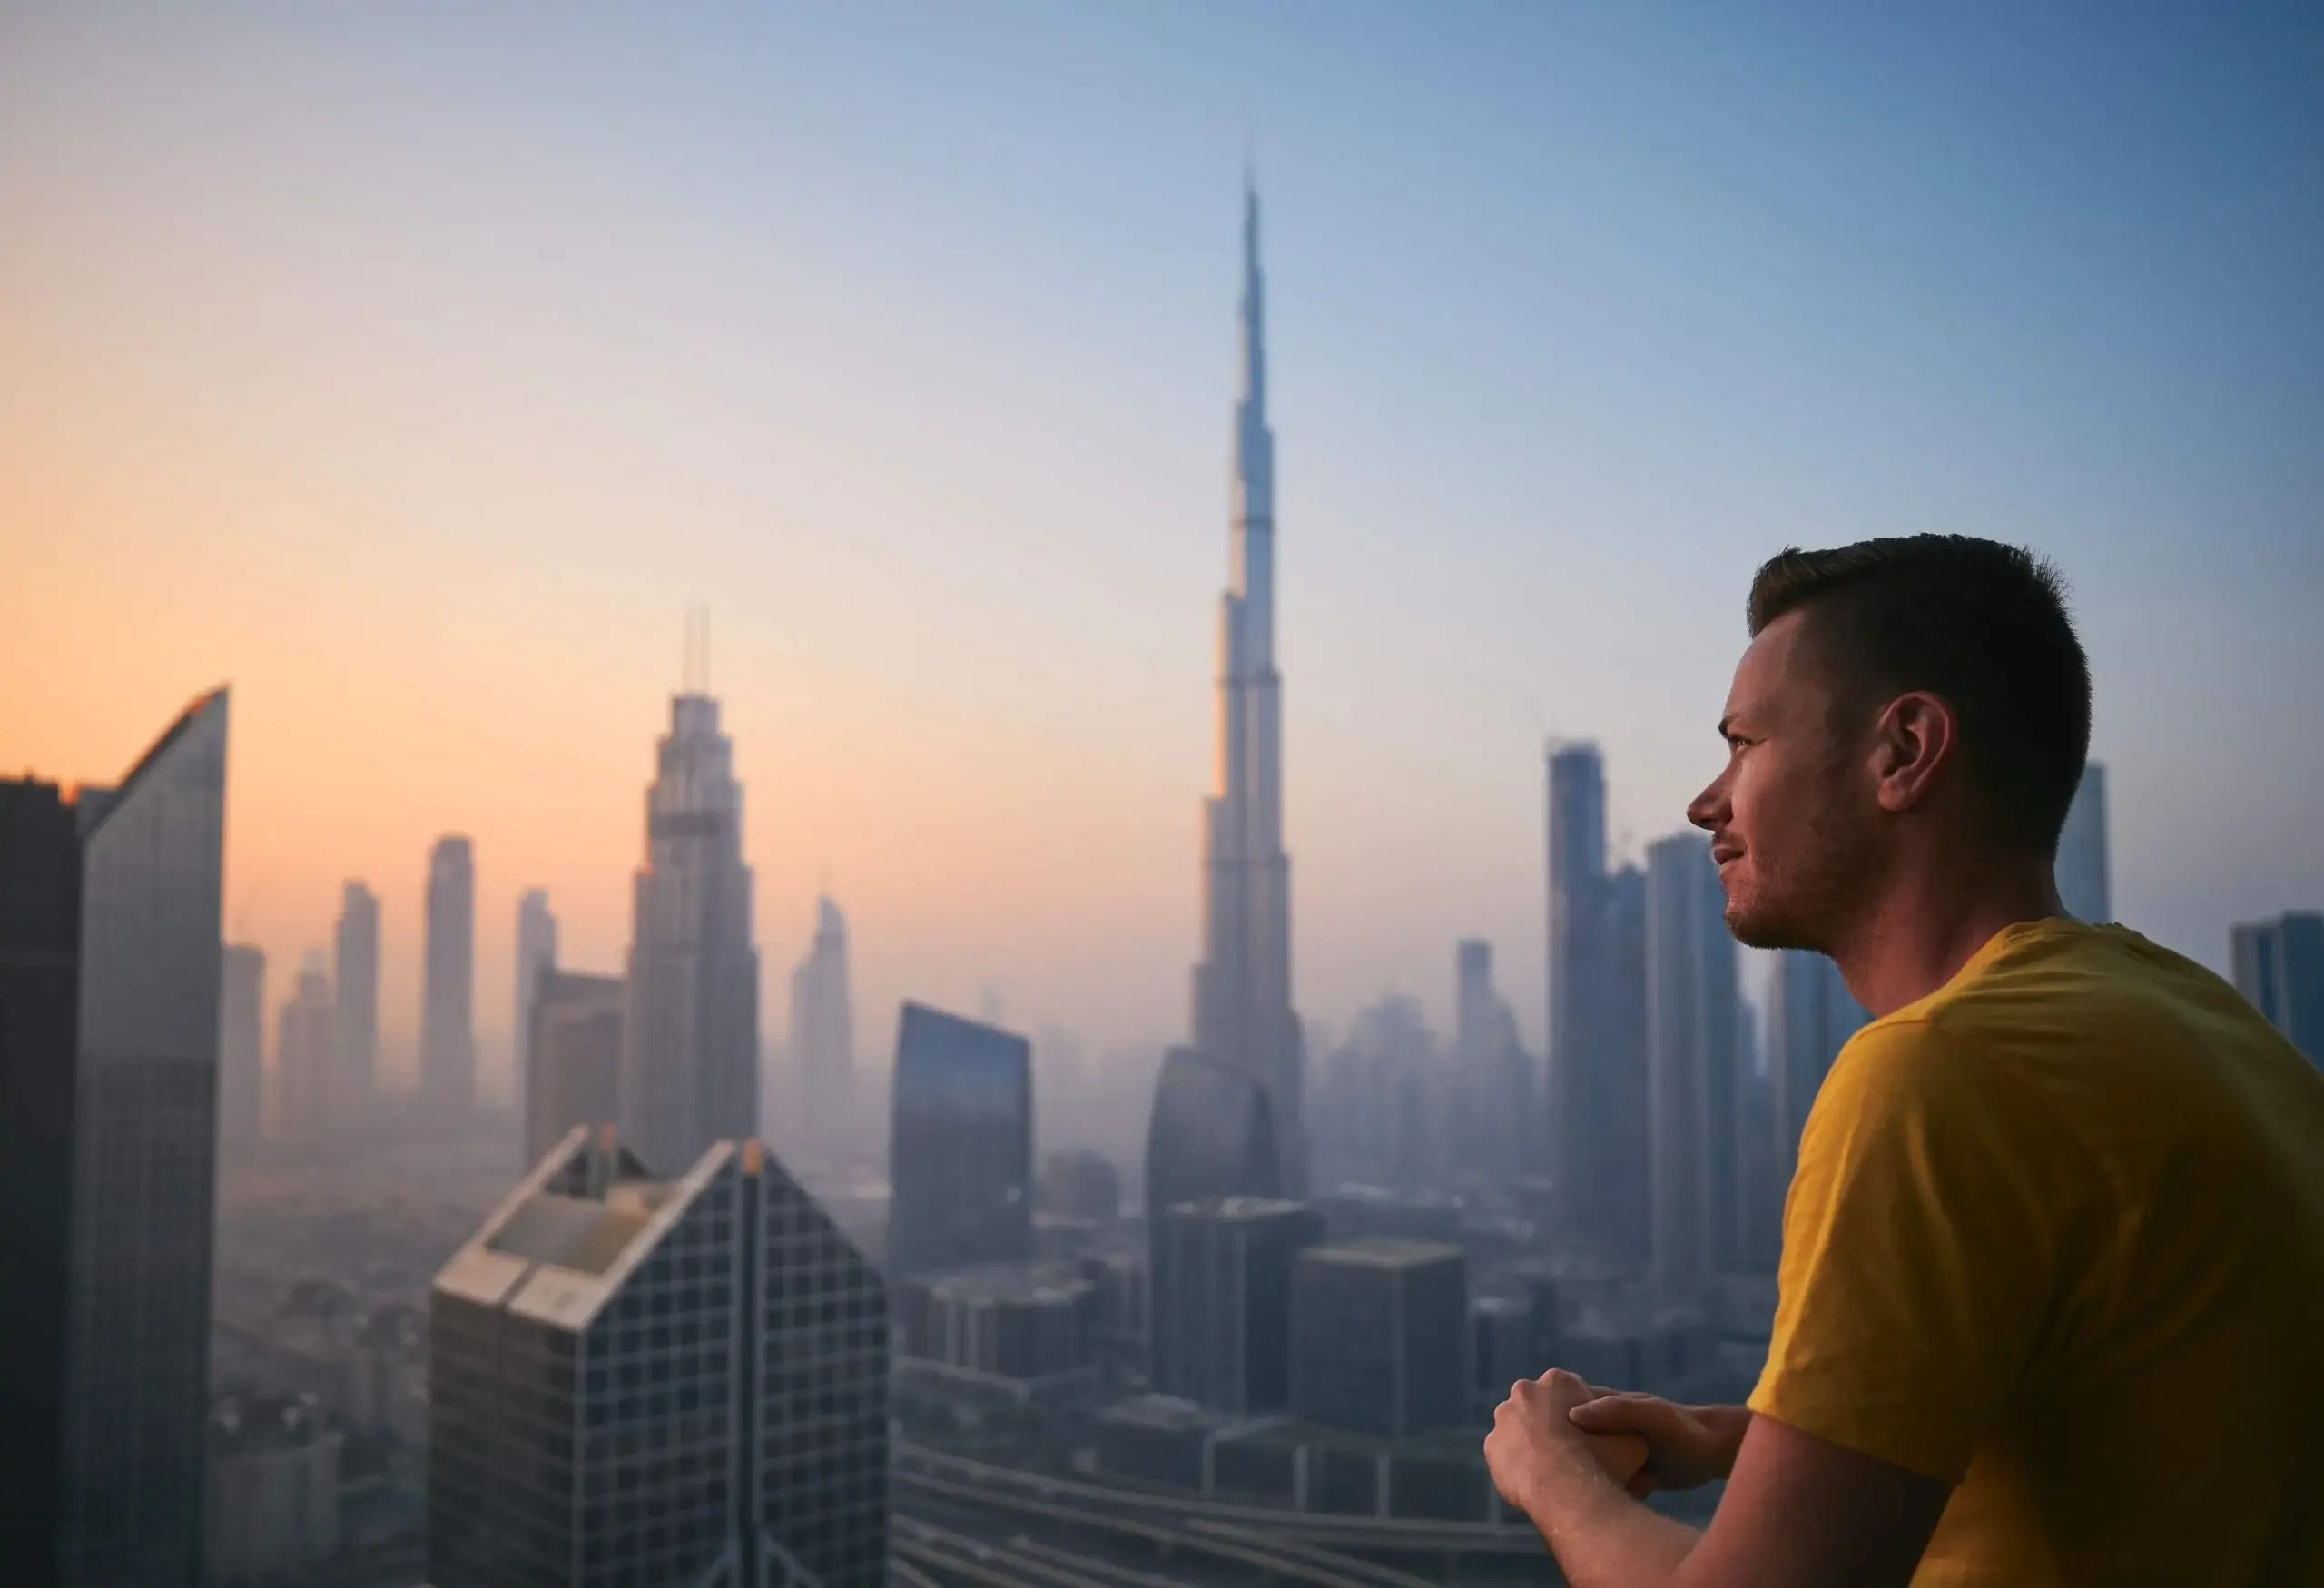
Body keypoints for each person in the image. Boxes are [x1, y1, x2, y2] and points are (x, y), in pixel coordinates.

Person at [1482, 535, 2324, 1586]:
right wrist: (1755, 1438)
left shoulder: (1935, 1074)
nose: (1708, 801)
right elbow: (2138, 1408)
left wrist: (1551, 1475)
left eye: (1744, 743)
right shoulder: (2203, 1023)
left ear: (1904, 751)